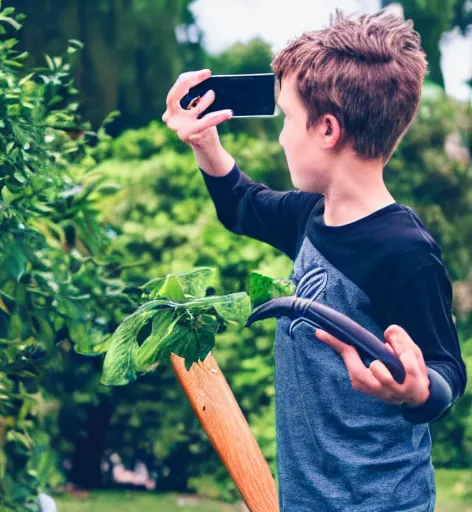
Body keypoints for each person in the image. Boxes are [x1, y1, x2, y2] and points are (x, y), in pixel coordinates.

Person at [162, 9, 467, 512]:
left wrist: (418, 390)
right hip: (307, 500)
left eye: (287, 118)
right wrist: (203, 142)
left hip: (382, 503)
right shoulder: (311, 216)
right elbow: (241, 204)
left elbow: (446, 370)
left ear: (327, 129)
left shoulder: (405, 250)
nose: (282, 135)